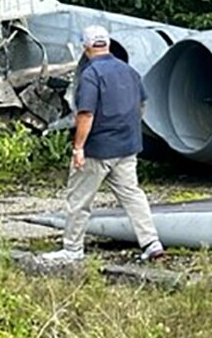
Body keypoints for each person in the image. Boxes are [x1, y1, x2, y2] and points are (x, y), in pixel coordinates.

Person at [41, 24, 165, 263]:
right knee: (132, 195)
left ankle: (72, 249)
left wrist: (78, 148)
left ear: (86, 47)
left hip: (97, 150)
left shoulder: (91, 74)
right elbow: (141, 106)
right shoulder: (129, 71)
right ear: (107, 44)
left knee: (79, 199)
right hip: (127, 148)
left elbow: (86, 114)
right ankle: (151, 243)